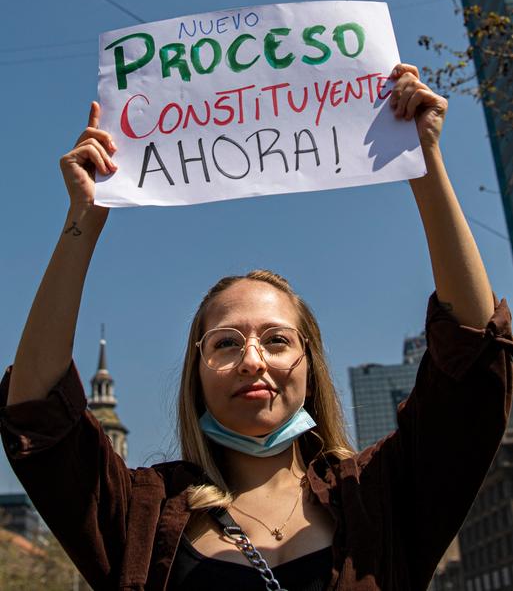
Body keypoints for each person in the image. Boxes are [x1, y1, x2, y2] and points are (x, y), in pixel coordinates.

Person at [0, 63, 512, 591]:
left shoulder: (379, 495)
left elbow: (473, 359)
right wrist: (82, 218)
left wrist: (425, 160)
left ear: (309, 364)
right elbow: (36, 413)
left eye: (277, 339)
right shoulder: (140, 514)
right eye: (225, 342)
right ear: (195, 373)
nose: (252, 359)